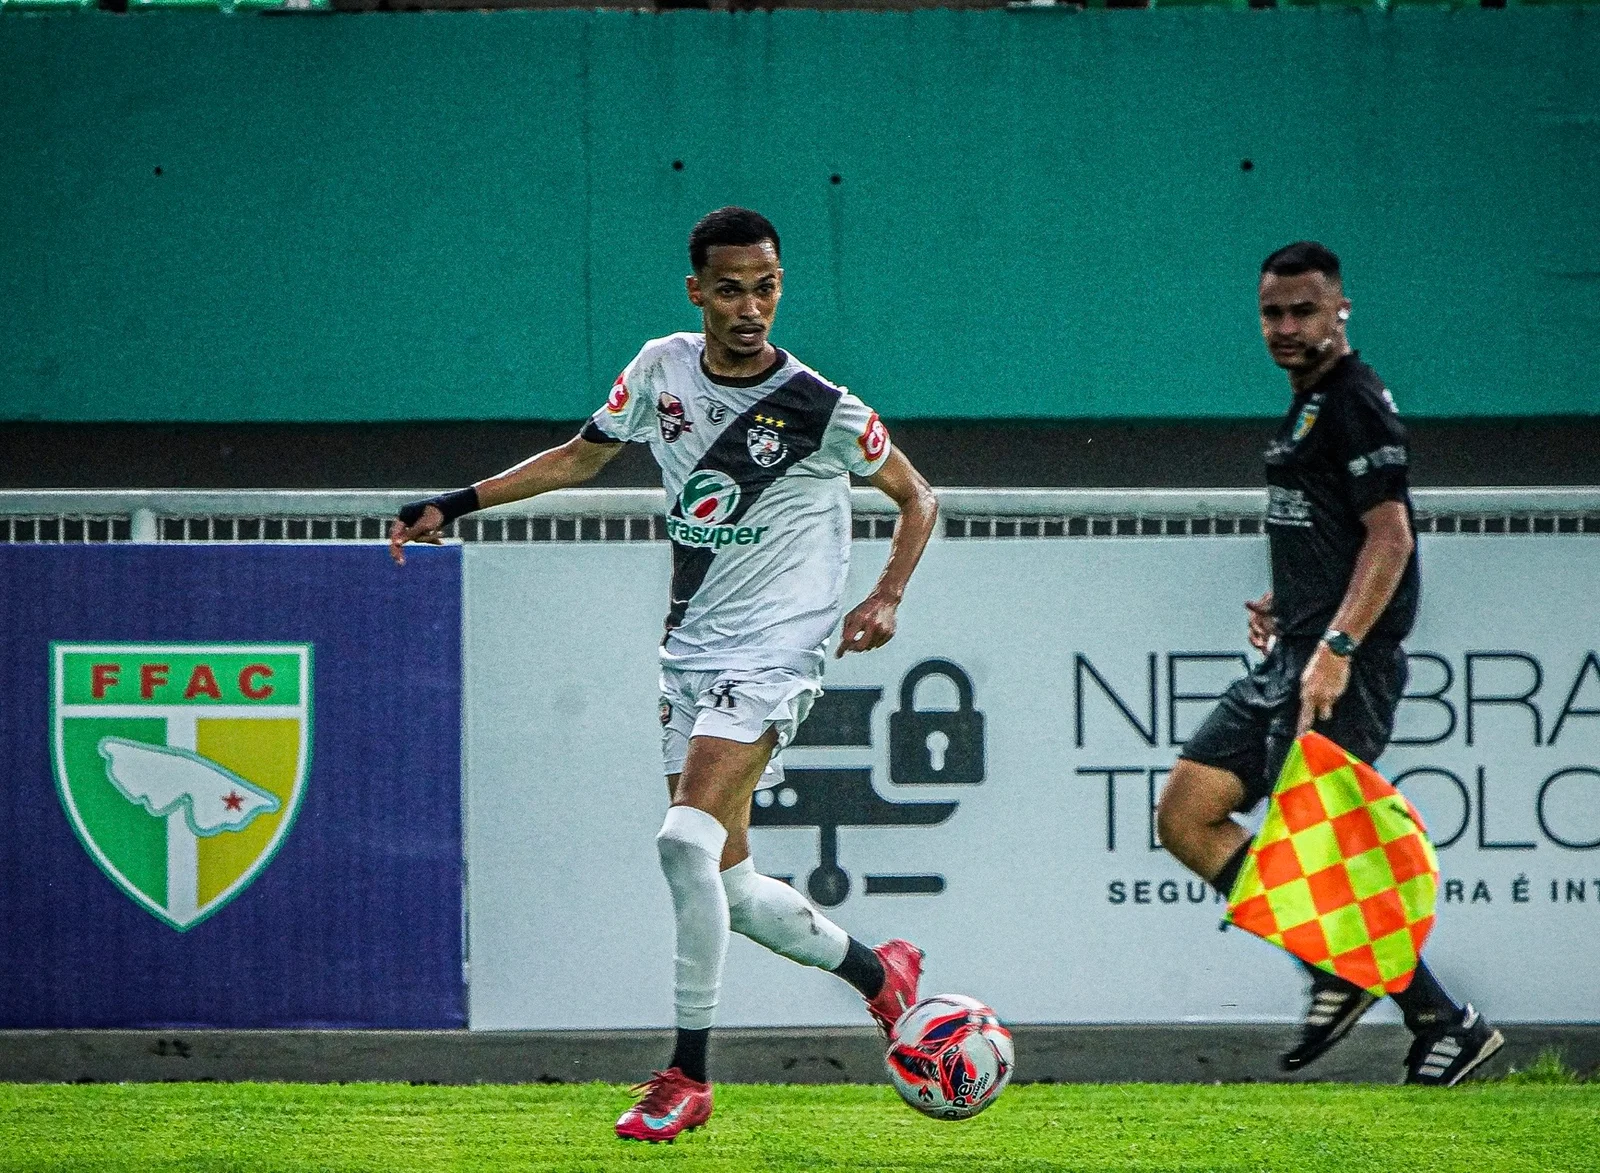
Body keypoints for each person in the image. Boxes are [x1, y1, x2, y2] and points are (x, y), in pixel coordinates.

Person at [389, 207, 939, 1140]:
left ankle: (688, 1074)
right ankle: (880, 974)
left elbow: (917, 496)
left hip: (777, 649)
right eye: (730, 289)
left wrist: (885, 596)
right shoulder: (662, 369)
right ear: (696, 292)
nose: (750, 307)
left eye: (766, 287)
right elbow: (581, 456)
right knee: (729, 884)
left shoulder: (821, 407)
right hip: (690, 650)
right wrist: (457, 502)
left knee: (682, 841)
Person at [1155, 242, 1503, 1087]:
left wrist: (1338, 646)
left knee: (1313, 851)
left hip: (1341, 664)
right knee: (1186, 813)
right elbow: (1334, 529)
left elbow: (1392, 537)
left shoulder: (1354, 401)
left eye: (1303, 310)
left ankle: (1436, 1016)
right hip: (1293, 652)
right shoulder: (1308, 403)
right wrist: (1290, 600)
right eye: (1272, 312)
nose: (1285, 326)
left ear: (1341, 309)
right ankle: (1388, 993)